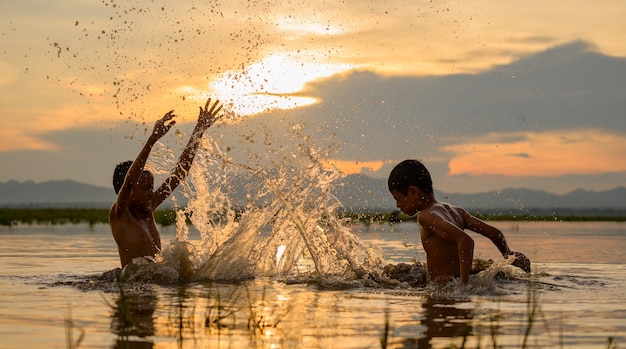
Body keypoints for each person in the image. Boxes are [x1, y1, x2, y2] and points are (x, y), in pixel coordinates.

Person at [110, 98, 223, 268]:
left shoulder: (147, 209)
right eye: (147, 188)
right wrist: (152, 140)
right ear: (130, 191)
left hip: (153, 281)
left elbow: (178, 175)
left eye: (152, 187)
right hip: (134, 285)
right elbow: (129, 183)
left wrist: (199, 131)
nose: (151, 192)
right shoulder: (121, 215)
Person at [387, 159, 531, 286]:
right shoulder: (456, 211)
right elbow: (496, 234)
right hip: (454, 282)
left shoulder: (425, 216)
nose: (397, 205)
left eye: (397, 198)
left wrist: (464, 286)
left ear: (413, 191)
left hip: (445, 288)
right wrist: (508, 254)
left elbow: (465, 241)